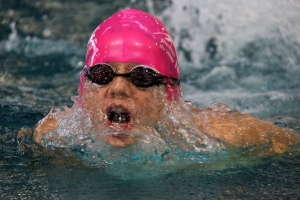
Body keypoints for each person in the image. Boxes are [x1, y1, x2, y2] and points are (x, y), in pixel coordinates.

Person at [18, 8, 299, 155]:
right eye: (103, 74)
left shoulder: (223, 136)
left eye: (141, 77)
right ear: (84, 88)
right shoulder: (52, 137)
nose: (117, 88)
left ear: (168, 95)